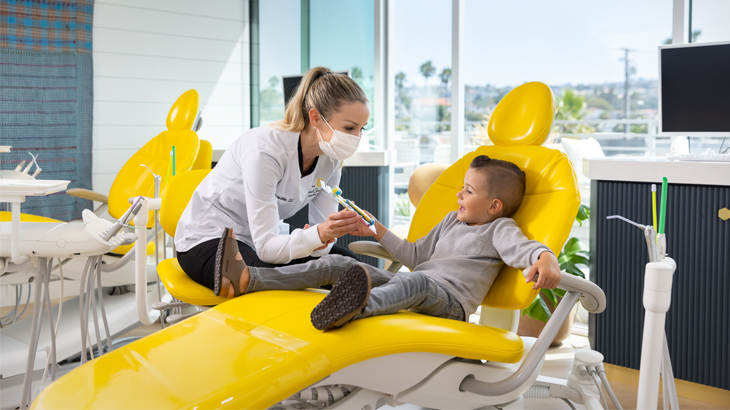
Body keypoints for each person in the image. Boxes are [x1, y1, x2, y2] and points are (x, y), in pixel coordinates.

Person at [213, 155, 562, 331]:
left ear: (494, 206)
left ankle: (350, 310)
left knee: (418, 280)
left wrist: (545, 258)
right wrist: (377, 230)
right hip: (416, 283)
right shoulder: (451, 220)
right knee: (340, 263)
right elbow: (415, 255)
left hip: (450, 303)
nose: (458, 195)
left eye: (468, 191)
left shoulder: (499, 228)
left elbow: (525, 248)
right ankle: (250, 280)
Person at [175, 67, 371, 296]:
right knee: (271, 282)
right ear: (315, 117)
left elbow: (322, 246)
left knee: (355, 269)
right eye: (349, 128)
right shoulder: (266, 151)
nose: (356, 138)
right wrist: (317, 235)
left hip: (262, 238)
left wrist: (323, 236)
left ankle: (397, 294)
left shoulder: (332, 160)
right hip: (208, 237)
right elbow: (268, 248)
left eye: (361, 129)